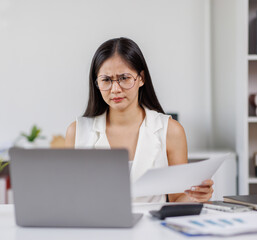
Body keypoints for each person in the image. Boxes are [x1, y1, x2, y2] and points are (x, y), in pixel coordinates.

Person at [65, 37, 213, 202]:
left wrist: (197, 196)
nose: (115, 89)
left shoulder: (171, 130)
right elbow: (72, 198)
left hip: (154, 226)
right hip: (99, 227)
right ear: (96, 83)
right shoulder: (77, 132)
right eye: (106, 80)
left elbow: (177, 198)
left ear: (141, 78)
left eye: (124, 78)